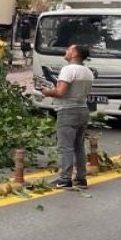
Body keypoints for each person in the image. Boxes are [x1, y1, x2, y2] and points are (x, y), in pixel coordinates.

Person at [38, 44, 94, 189]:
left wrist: (47, 91)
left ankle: (65, 179)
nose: (66, 51)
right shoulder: (88, 72)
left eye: (69, 49)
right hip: (83, 110)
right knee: (79, 146)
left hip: (67, 111)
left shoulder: (68, 70)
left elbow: (60, 92)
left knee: (66, 147)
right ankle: (81, 178)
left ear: (75, 54)